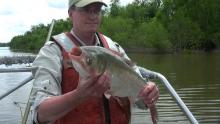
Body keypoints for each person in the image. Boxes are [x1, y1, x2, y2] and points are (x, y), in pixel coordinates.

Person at [31, 0, 159, 123]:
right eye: (86, 10)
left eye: (97, 10)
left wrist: (149, 95)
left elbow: (140, 104)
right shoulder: (52, 51)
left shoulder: (114, 47)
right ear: (70, 13)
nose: (92, 16)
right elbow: (41, 114)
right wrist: (79, 95)